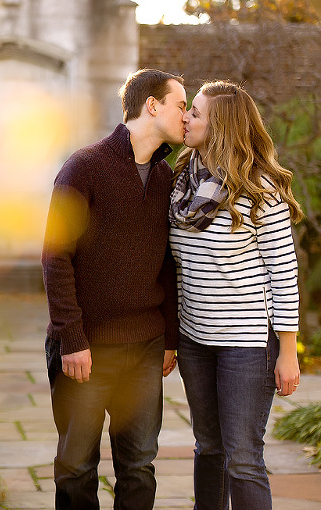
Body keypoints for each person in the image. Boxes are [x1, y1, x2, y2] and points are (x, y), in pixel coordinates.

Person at [42, 68, 184, 510]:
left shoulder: (166, 180)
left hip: (145, 346)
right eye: (181, 104)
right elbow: (55, 255)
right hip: (85, 348)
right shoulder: (84, 167)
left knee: (140, 465)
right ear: (152, 105)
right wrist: (72, 337)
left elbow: (167, 265)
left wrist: (170, 339)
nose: (187, 115)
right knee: (77, 467)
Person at [169, 81, 303, 509]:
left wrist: (287, 351)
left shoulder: (260, 192)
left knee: (243, 458)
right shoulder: (180, 182)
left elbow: (284, 274)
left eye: (195, 112)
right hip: (194, 338)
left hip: (246, 345)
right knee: (207, 447)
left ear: (221, 127)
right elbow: (174, 269)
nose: (185, 118)